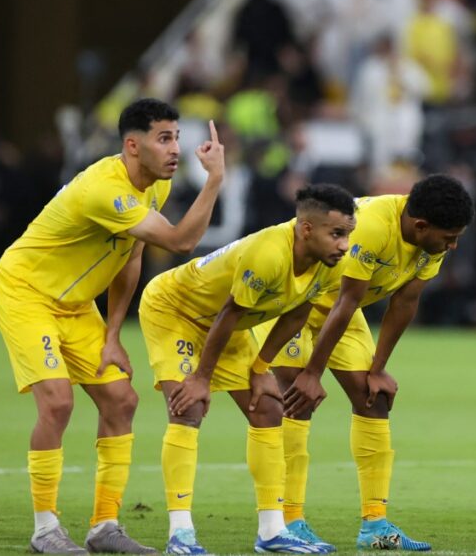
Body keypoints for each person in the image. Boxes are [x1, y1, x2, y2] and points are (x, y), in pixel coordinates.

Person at [0, 99, 223, 554]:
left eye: (176, 137)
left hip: (75, 305)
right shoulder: (106, 190)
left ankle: (104, 526)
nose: (176, 148)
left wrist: (114, 335)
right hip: (25, 292)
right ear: (132, 146)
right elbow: (182, 241)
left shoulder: (152, 186)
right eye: (164, 138)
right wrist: (214, 179)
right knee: (57, 403)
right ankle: (45, 529)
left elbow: (130, 258)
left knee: (121, 398)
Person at [257, 174, 474, 551]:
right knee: (297, 398)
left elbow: (405, 301)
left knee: (374, 398)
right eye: (449, 237)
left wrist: (377, 368)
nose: (452, 246)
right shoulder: (371, 227)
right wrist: (312, 373)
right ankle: (289, 519)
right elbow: (345, 300)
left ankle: (375, 523)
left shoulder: (429, 243)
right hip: (289, 299)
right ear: (420, 225)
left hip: (340, 309)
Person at [139, 184, 355, 555]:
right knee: (188, 406)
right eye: (336, 234)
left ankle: (272, 530)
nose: (344, 244)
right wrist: (201, 379)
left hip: (227, 323)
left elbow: (298, 311)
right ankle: (181, 533)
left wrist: (260, 367)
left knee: (269, 409)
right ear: (307, 229)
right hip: (175, 310)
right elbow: (230, 314)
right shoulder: (268, 254)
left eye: (348, 234)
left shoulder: (330, 265)